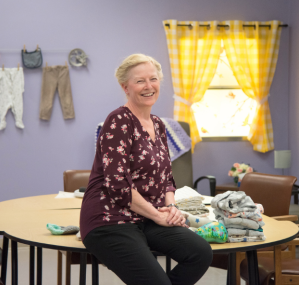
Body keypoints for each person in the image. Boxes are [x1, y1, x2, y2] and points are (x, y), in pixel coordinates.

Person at [80, 54, 213, 285]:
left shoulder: (159, 125)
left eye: (153, 79)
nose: (149, 86)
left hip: (145, 218)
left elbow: (167, 178)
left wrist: (170, 208)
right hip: (110, 219)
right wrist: (157, 216)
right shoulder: (118, 120)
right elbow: (118, 186)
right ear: (126, 87)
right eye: (140, 81)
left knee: (200, 253)